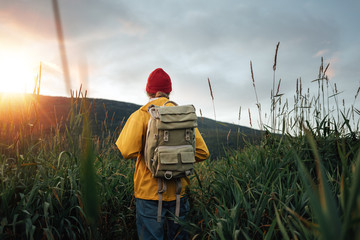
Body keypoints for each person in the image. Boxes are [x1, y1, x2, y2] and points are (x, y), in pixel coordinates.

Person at [116, 68, 209, 240]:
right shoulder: (183, 117)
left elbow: (126, 151)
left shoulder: (141, 115)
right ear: (169, 91)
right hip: (179, 193)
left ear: (148, 91)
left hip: (149, 194)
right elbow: (203, 153)